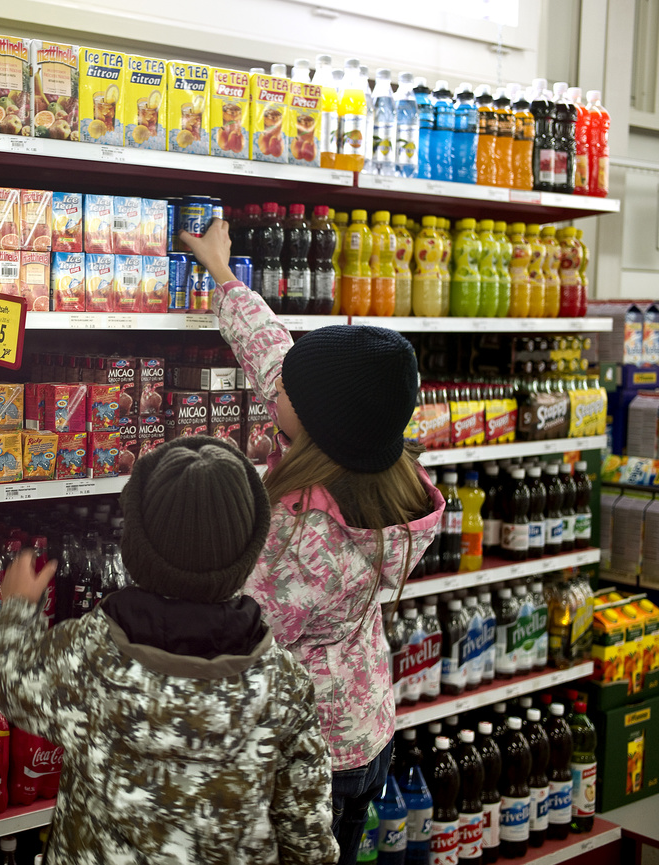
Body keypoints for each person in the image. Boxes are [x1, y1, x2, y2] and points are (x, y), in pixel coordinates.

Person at [181, 220, 445, 865]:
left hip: (305, 756)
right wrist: (223, 275)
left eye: (289, 393)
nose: (277, 388)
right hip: (367, 728)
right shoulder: (386, 475)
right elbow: (278, 358)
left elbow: (239, 631)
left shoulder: (309, 540)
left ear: (318, 422)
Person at [0, 435, 339, 865]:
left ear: (133, 549)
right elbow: (306, 830)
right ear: (250, 550)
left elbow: (3, 678)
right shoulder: (283, 683)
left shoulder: (90, 656)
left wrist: (17, 610)